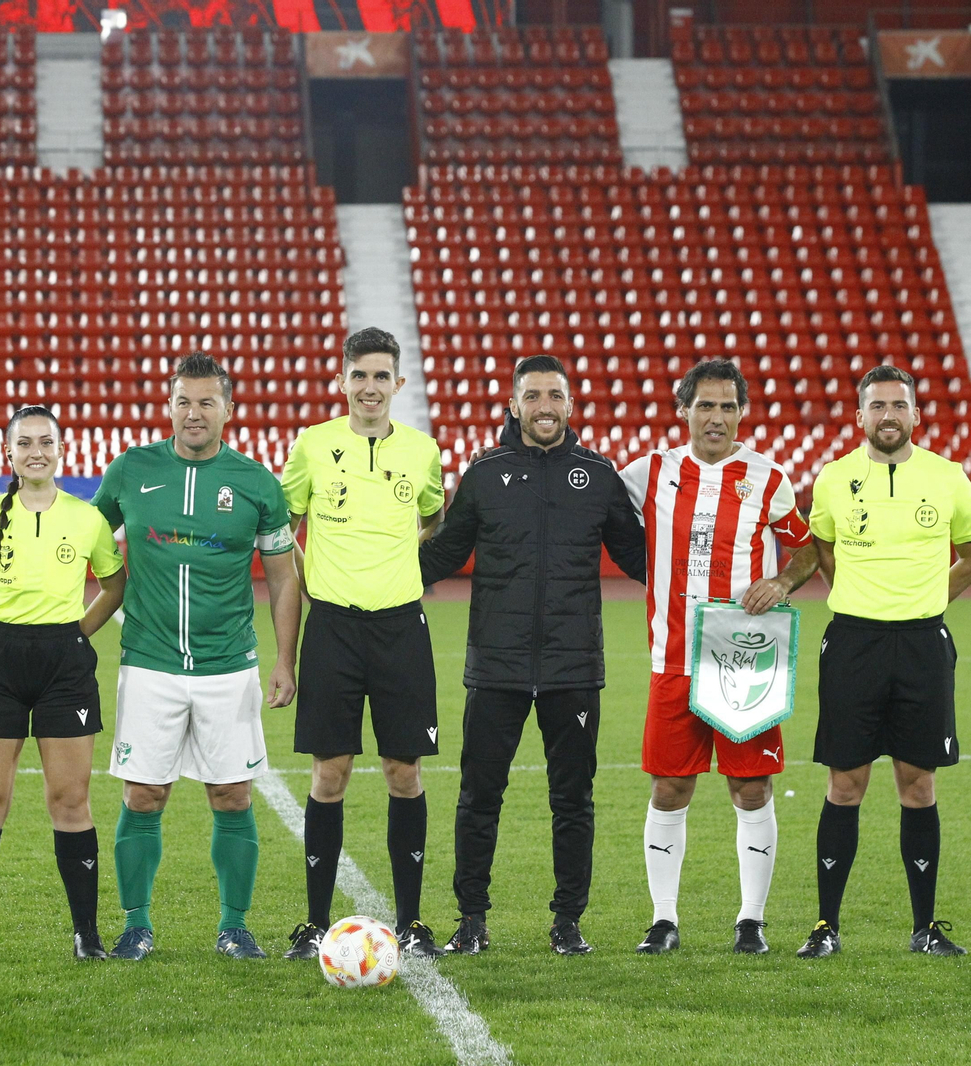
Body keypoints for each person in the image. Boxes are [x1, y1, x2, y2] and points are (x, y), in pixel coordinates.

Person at [419, 355, 646, 956]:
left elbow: (642, 558)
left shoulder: (598, 475)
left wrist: (715, 578)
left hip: (574, 665)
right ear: (514, 405)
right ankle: (472, 919)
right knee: (478, 796)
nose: (545, 406)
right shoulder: (485, 474)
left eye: (555, 395)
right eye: (533, 395)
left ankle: (568, 921)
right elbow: (441, 556)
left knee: (573, 799)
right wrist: (367, 567)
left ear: (570, 405)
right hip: (497, 664)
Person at [91, 352, 301, 961]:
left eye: (207, 402)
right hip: (150, 664)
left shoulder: (257, 483)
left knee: (232, 796)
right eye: (184, 400)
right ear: (170, 406)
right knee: (143, 796)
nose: (194, 413)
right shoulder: (131, 470)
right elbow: (82, 539)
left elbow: (285, 579)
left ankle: (234, 927)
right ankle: (137, 926)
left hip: (228, 666)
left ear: (228, 410)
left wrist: (286, 660)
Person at [620, 360, 820, 956]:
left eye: (728, 406)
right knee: (670, 789)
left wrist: (782, 584)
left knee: (750, 789)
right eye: (705, 406)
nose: (716, 418)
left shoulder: (768, 478)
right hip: (672, 656)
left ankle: (751, 922)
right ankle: (663, 921)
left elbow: (807, 552)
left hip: (744, 658)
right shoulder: (646, 473)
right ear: (683, 410)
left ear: (742, 412)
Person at [796, 364, 971, 959]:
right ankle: (827, 926)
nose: (887, 416)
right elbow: (821, 548)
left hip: (923, 645)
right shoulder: (832, 479)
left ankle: (925, 928)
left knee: (918, 783)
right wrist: (858, 598)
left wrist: (926, 602)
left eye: (897, 406)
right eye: (876, 406)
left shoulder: (947, 477)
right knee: (845, 782)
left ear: (915, 414)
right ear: (859, 416)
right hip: (854, 642)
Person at [0, 404, 127, 962]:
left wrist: (78, 635)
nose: (36, 451)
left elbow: (112, 586)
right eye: (25, 443)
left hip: (65, 666)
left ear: (61, 449)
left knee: (70, 799)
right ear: (9, 453)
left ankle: (86, 936)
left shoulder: (87, 519)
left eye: (46, 441)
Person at [279, 326, 448, 960]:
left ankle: (411, 921)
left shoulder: (422, 451)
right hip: (333, 629)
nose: (370, 387)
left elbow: (432, 516)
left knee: (404, 772)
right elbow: (284, 523)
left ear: (398, 383)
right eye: (360, 375)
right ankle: (315, 923)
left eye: (382, 376)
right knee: (331, 773)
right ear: (343, 381)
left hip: (402, 625)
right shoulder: (313, 446)